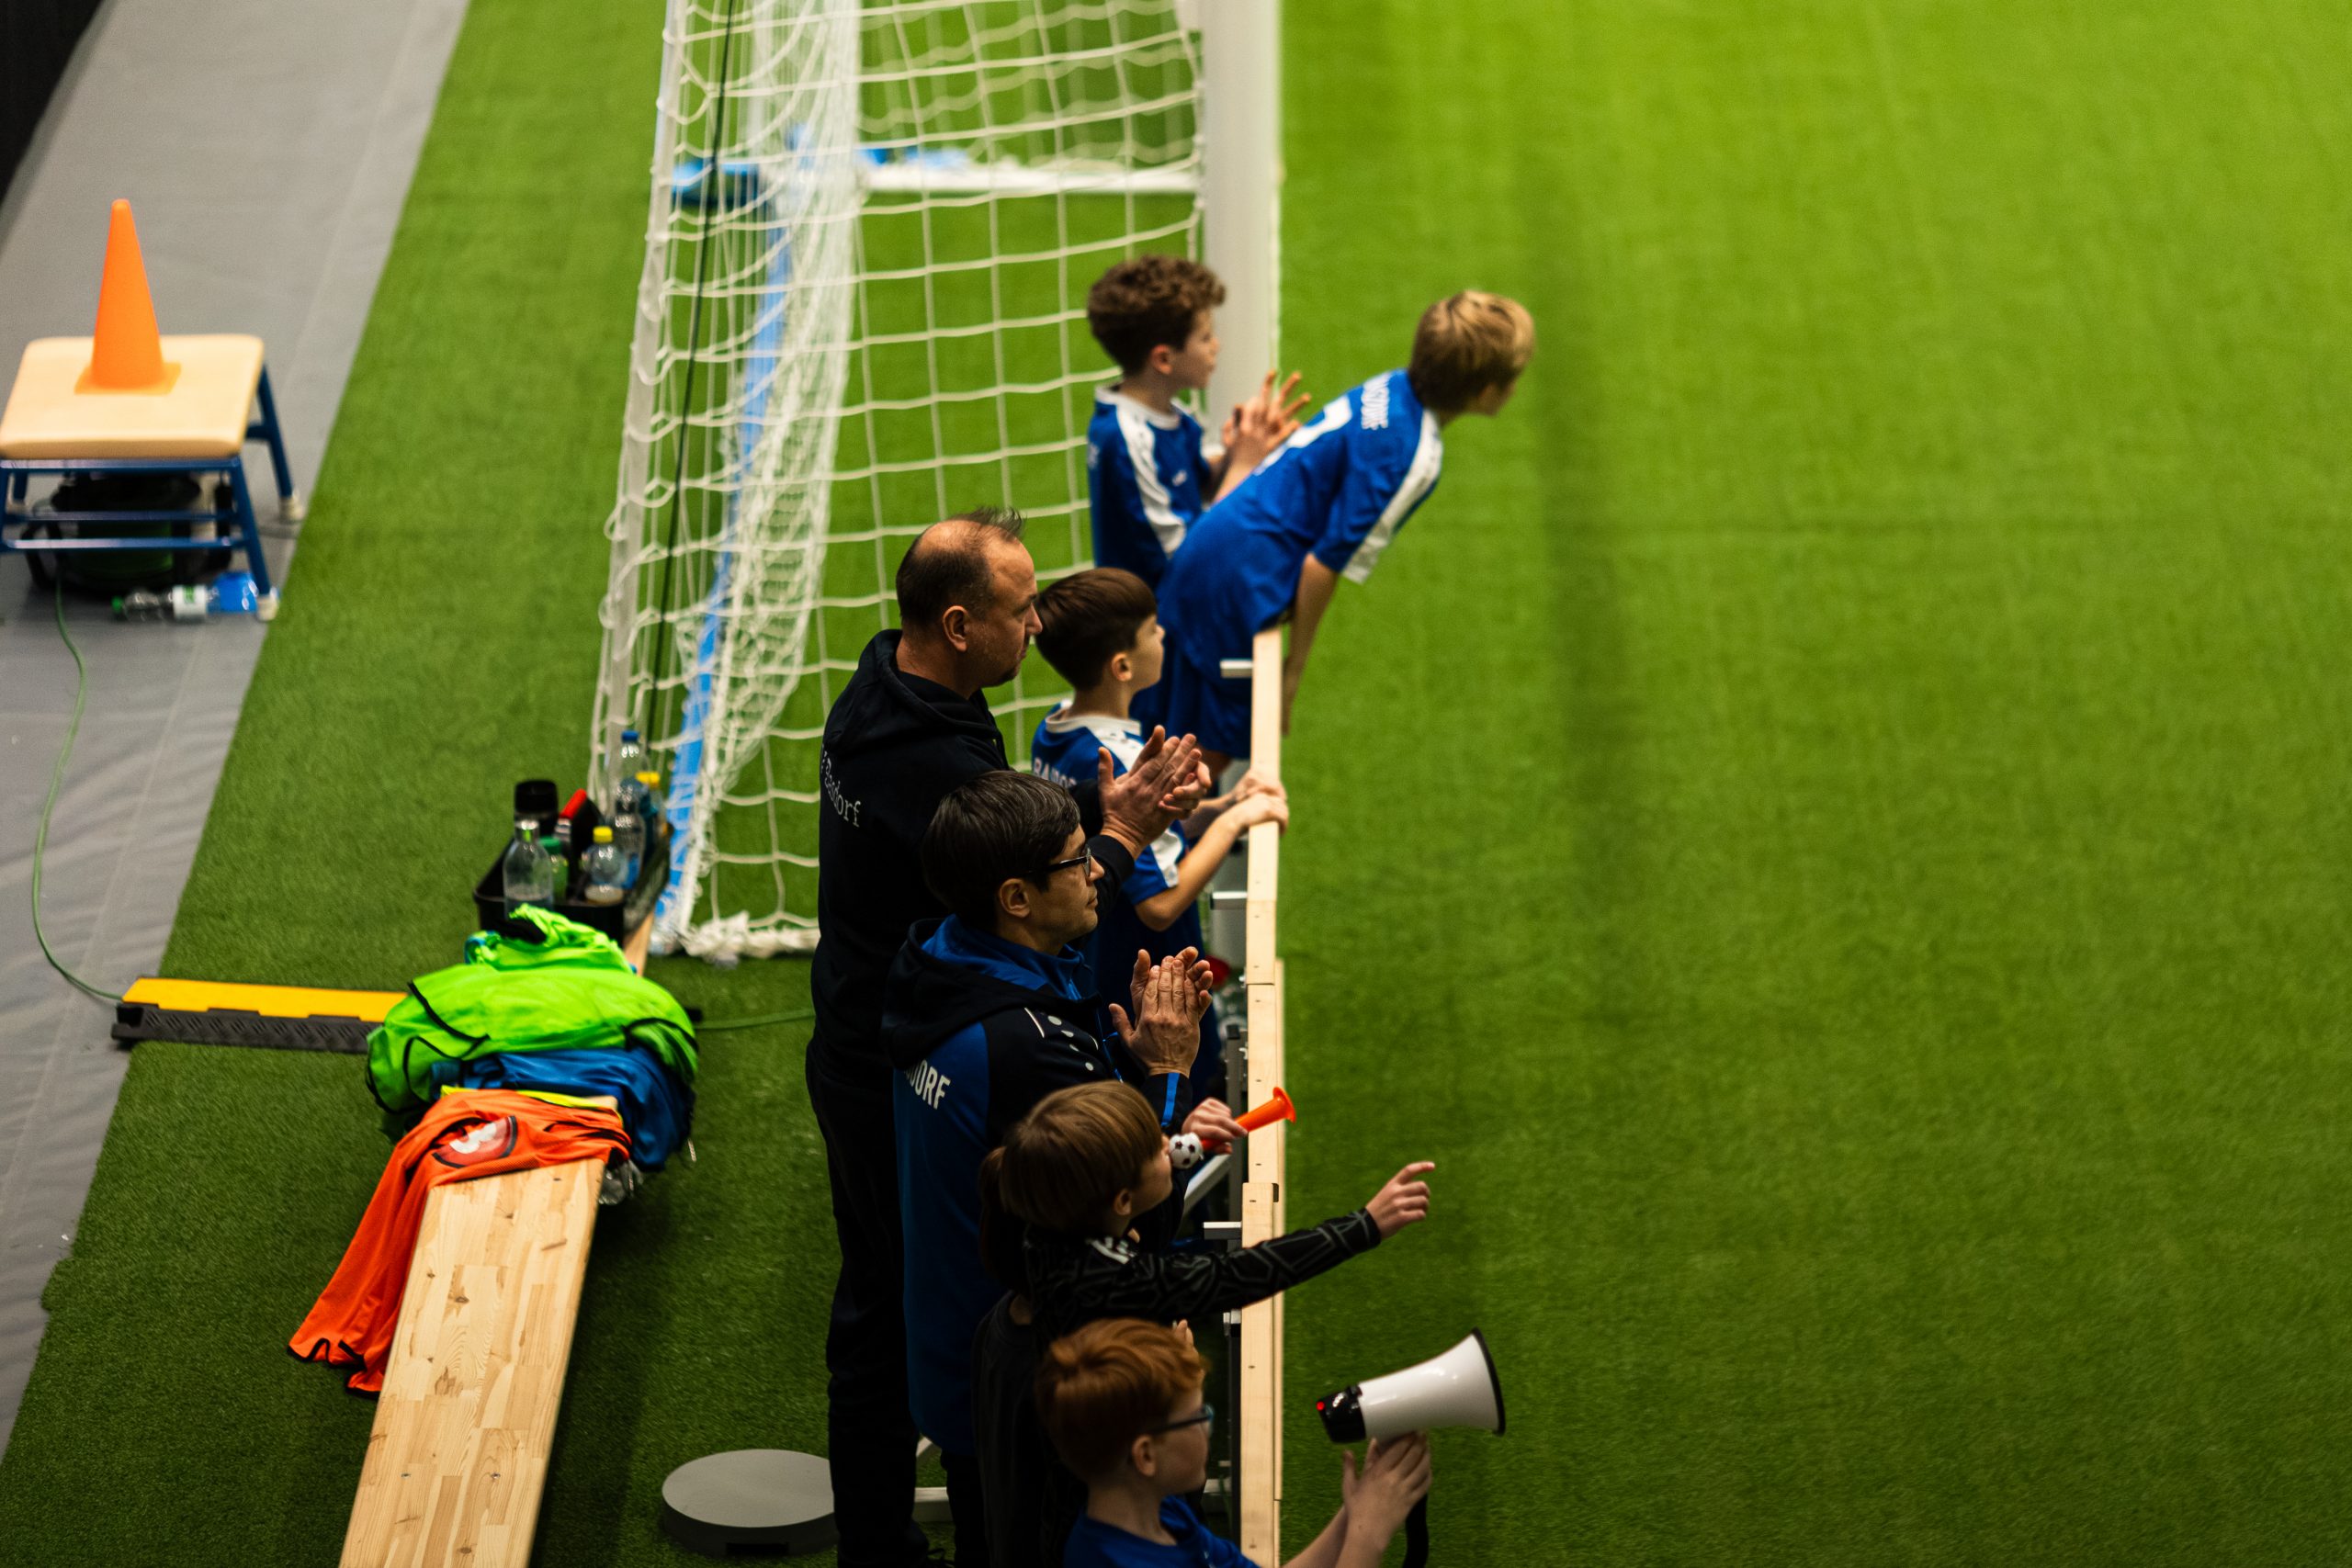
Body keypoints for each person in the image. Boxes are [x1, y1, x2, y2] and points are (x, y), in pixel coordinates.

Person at [809, 507, 1209, 1568]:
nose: (1038, 625)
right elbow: (1029, 902)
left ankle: (882, 1540)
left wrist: (1092, 814)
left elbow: (1016, 860)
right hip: (881, 1061)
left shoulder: (883, 684)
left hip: (861, 1031)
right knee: (922, 1312)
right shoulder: (940, 768)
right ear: (956, 625)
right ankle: (900, 1544)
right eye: (1021, 608)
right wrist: (1118, 833)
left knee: (884, 1296)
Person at [885, 772, 1248, 1565]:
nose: (1096, 875)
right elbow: (1136, 1212)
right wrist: (1166, 1073)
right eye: (1079, 862)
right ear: (1016, 897)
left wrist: (1119, 1059)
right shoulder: (1027, 1046)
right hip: (1040, 1387)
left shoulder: (935, 961)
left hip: (959, 1354)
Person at [978, 1080, 1433, 1562]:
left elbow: (1116, 1198)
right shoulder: (1115, 1280)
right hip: (1117, 1506)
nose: (1169, 1142)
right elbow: (1237, 1274)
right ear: (1122, 1201)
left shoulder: (1050, 1223)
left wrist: (1179, 1152)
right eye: (1156, 1148)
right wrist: (1364, 1226)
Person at [1153, 290, 1536, 773]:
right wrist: (1294, 671)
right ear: (1484, 392)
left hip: (1211, 543)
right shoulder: (1412, 457)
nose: (1515, 389)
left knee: (1158, 722)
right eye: (1512, 378)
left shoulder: (1389, 387)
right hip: (1239, 582)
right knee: (1200, 758)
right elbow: (1322, 564)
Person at [1028, 567, 1289, 1092]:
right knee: (1180, 1093)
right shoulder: (1119, 758)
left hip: (1096, 956)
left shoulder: (1055, 727)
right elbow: (1160, 904)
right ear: (1122, 666)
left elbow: (1148, 831)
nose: (1164, 634)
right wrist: (1236, 820)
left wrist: (1223, 804)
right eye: (1152, 629)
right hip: (1146, 973)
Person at [1036, 1317, 1434, 1568]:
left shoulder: (1162, 1515)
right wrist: (1368, 1535)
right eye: (1199, 1416)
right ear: (1145, 1455)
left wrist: (1358, 1508)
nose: (1208, 1427)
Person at [1084, 254, 1309, 592]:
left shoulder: (1168, 413)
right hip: (1158, 617)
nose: (1216, 346)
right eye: (1205, 337)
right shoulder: (1126, 439)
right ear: (1164, 358)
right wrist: (1244, 464)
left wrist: (1241, 452)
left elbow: (1199, 486)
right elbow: (1191, 560)